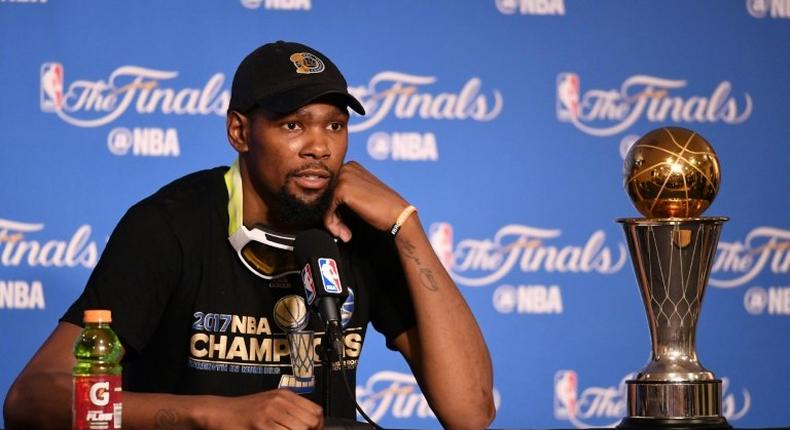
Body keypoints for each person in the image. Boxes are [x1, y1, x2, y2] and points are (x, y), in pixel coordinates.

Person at [3, 41, 495, 430]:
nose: (319, 147)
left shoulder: (362, 233)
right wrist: (216, 415)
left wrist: (405, 223)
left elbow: (470, 414)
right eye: (292, 125)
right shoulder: (171, 224)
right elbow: (31, 398)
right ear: (239, 132)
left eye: (335, 125)